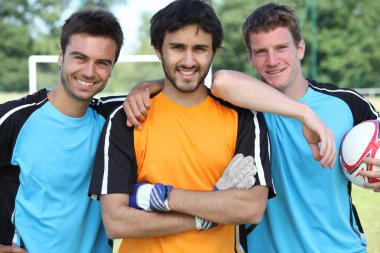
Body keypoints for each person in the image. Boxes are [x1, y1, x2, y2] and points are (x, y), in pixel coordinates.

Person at [88, 1, 274, 252]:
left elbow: (250, 208)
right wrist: (206, 214)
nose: (188, 60)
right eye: (177, 47)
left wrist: (161, 197)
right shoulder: (127, 118)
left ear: (213, 52)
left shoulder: (243, 118)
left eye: (200, 49)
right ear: (158, 49)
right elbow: (116, 221)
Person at [211, 3, 379, 252]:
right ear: (249, 56)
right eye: (261, 51)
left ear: (300, 49)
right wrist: (304, 114)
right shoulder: (243, 110)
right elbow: (221, 81)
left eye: (281, 48)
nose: (272, 60)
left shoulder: (346, 103)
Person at [0, 8, 124, 253]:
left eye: (102, 62)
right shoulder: (14, 119)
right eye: (79, 57)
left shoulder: (112, 119)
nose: (89, 71)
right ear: (60, 56)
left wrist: (147, 85)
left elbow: (169, 94)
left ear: (112, 68)